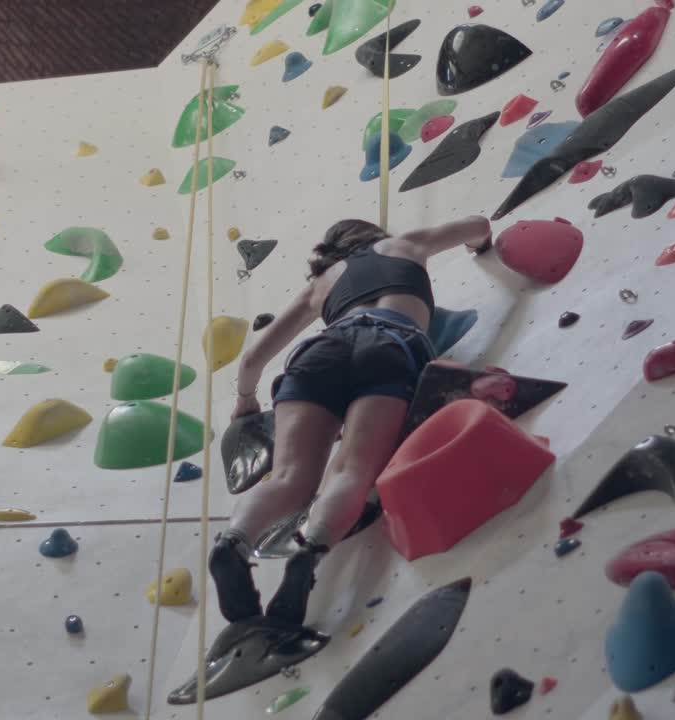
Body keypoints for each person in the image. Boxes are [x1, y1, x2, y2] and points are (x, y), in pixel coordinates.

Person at [208, 215, 493, 626]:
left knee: (288, 478)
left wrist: (245, 400)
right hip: (390, 345)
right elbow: (478, 224)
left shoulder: (318, 287)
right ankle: (309, 553)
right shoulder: (407, 243)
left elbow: (253, 358)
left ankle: (233, 542)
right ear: (375, 236)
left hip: (318, 354)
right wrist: (480, 246)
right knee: (352, 471)